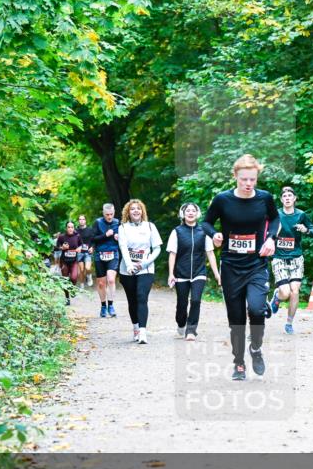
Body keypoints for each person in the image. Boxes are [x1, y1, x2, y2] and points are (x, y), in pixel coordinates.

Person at [201, 154, 280, 381]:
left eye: (252, 180)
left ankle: (255, 347)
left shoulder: (265, 198)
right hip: (231, 266)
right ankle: (239, 363)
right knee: (236, 319)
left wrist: (271, 239)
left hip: (256, 264)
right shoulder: (222, 200)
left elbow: (274, 220)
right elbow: (207, 222)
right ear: (235, 176)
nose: (248, 184)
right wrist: (214, 234)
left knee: (256, 309)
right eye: (244, 179)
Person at [167, 202, 221, 341]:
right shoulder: (177, 231)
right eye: (187, 211)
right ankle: (181, 324)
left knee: (196, 300)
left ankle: (191, 330)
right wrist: (171, 273)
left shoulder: (204, 231)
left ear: (197, 214)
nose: (190, 213)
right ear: (183, 214)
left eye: (193, 211)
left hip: (199, 272)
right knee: (182, 303)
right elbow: (172, 254)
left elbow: (210, 253)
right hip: (181, 273)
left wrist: (217, 274)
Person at [269, 186, 313, 334]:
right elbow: (265, 230)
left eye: (290, 195)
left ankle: (289, 323)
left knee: (295, 291)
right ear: (281, 199)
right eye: (285, 196)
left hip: (296, 257)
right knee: (286, 293)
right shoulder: (276, 214)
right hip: (279, 258)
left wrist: (306, 230)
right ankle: (277, 297)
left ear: (295, 198)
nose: (288, 198)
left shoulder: (301, 215)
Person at [118, 199, 162, 344]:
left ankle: (143, 332)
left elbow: (157, 248)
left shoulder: (150, 226)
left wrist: (145, 263)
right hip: (127, 269)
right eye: (132, 209)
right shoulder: (123, 228)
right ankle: (136, 328)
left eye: (138, 208)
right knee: (132, 300)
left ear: (142, 211)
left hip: (146, 268)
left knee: (141, 296)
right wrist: (130, 265)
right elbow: (123, 247)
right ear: (128, 213)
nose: (136, 211)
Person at [90, 203, 121, 318]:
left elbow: (124, 238)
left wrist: (118, 237)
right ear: (103, 213)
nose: (109, 217)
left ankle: (111, 305)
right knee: (102, 283)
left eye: (111, 214)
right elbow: (93, 238)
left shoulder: (118, 223)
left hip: (113, 253)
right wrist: (106, 235)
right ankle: (103, 306)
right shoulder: (98, 223)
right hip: (100, 255)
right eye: (107, 214)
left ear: (114, 213)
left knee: (111, 280)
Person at [55, 221, 83, 305]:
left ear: (74, 228)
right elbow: (56, 248)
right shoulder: (62, 237)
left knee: (74, 277)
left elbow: (81, 245)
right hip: (64, 261)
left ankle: (72, 288)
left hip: (74, 261)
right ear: (66, 228)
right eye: (69, 227)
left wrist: (79, 248)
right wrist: (62, 248)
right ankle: (67, 298)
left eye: (72, 227)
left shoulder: (77, 236)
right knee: (65, 280)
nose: (70, 229)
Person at [76, 214, 96, 287]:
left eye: (83, 219)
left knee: (88, 268)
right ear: (78, 221)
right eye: (80, 219)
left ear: (85, 220)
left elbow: (94, 240)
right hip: (79, 253)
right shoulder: (76, 231)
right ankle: (81, 285)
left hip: (88, 252)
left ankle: (89, 276)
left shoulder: (90, 230)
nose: (81, 221)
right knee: (81, 270)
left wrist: (92, 247)